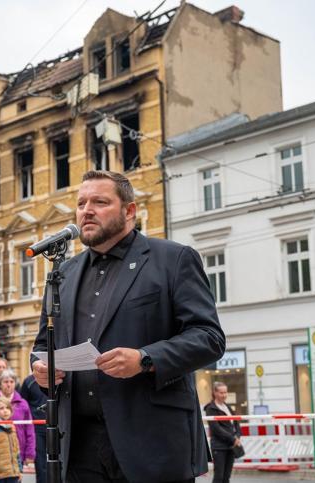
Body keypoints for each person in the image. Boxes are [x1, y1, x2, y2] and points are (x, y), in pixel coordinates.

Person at [31, 170, 226, 482]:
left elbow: (209, 338)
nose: (87, 210)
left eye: (100, 202)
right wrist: (41, 368)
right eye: (81, 203)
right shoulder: (63, 274)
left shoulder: (172, 259)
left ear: (130, 211)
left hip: (152, 442)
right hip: (80, 447)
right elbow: (43, 346)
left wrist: (145, 359)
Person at [204, 382, 241, 483]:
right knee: (219, 477)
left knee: (226, 477)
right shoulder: (210, 408)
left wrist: (238, 436)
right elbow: (216, 429)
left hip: (231, 446)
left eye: (225, 392)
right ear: (215, 393)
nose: (224, 395)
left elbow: (236, 423)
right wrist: (233, 439)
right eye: (221, 392)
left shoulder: (228, 407)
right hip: (219, 446)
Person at [18, 374, 47, 483]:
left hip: (58, 425)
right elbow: (23, 403)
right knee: (41, 465)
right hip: (37, 428)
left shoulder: (58, 377)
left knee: (60, 462)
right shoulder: (29, 381)